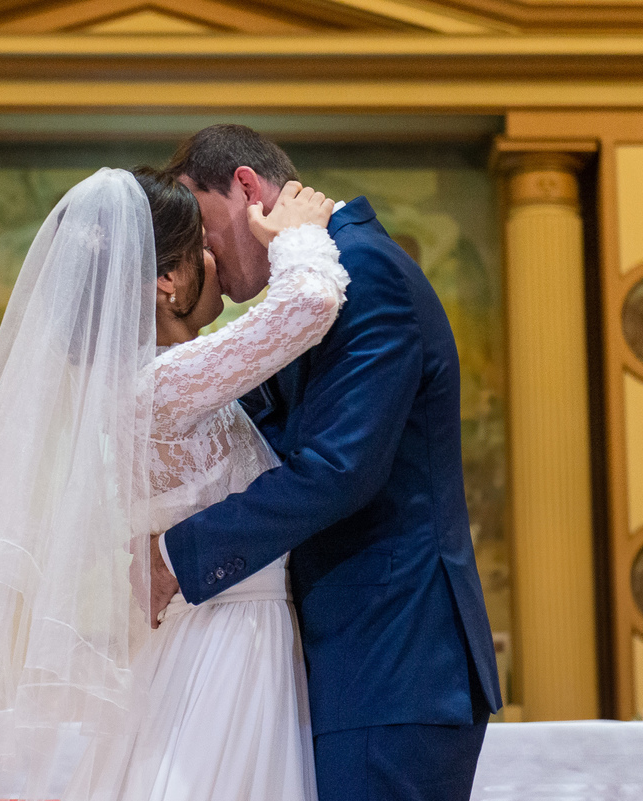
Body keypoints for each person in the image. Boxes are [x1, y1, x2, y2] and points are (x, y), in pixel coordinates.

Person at [0, 166, 347, 801]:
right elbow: (310, 303)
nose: (216, 258)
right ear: (165, 282)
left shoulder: (154, 379)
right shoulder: (162, 386)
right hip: (227, 646)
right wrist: (298, 235)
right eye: (202, 244)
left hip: (211, 635)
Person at [152, 124, 504, 801]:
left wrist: (173, 557)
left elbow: (338, 468)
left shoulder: (364, 273)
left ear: (247, 190)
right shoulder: (321, 283)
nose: (204, 255)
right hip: (354, 658)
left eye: (201, 226)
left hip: (393, 656)